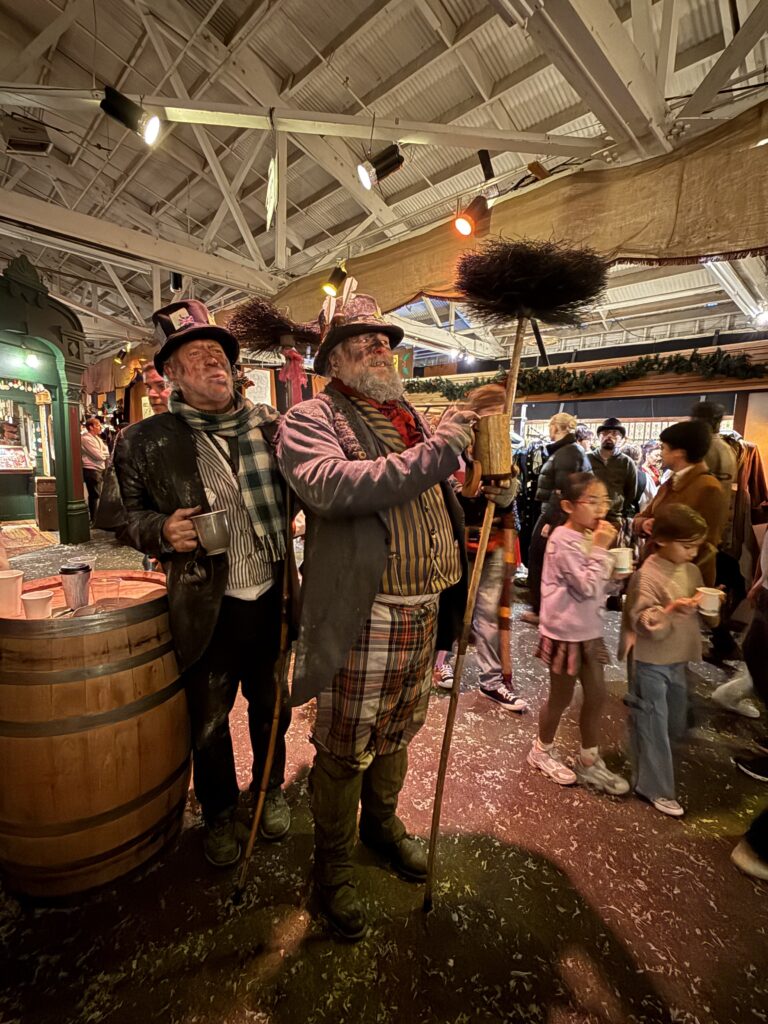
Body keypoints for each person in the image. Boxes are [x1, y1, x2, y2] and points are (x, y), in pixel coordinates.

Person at [278, 293, 479, 941]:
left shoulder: (407, 416)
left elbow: (429, 489)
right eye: (361, 342)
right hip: (363, 614)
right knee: (343, 748)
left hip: (425, 604)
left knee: (398, 732)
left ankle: (381, 824)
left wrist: (476, 485)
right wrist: (444, 447)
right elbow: (333, 489)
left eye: (383, 340)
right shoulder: (311, 417)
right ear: (333, 360)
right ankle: (331, 868)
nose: (378, 348)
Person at [114, 299, 293, 868]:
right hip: (202, 604)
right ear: (172, 374)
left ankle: (268, 792)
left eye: (221, 353)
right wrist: (162, 531)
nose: (216, 361)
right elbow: (117, 516)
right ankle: (218, 814)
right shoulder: (144, 441)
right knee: (210, 721)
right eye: (199, 354)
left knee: (272, 707)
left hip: (271, 594)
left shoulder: (271, 428)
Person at [527, 472, 629, 795]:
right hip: (564, 633)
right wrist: (600, 549)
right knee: (561, 697)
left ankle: (589, 760)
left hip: (589, 631)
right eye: (592, 501)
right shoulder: (561, 540)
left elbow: (599, 586)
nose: (601, 508)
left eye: (604, 500)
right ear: (569, 505)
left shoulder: (589, 536)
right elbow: (584, 586)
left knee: (597, 695)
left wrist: (617, 574)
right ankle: (541, 750)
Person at [622, 505, 721, 817]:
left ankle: (652, 772)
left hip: (677, 660)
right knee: (653, 722)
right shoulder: (646, 575)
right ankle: (655, 787)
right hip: (650, 662)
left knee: (672, 721)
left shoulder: (690, 571)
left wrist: (711, 605)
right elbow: (640, 621)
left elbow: (709, 619)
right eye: (687, 546)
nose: (692, 554)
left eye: (696, 547)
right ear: (662, 539)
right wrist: (669, 611)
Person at [442, 383, 528, 711]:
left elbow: (509, 499)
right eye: (488, 409)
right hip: (455, 541)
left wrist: (509, 495)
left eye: (500, 410)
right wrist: (463, 487)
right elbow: (435, 485)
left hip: (491, 540)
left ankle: (492, 680)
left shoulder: (504, 446)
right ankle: (440, 663)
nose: (494, 416)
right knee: (450, 606)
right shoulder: (453, 442)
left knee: (488, 614)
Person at [633, 420, 728, 587]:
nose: (660, 453)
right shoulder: (670, 483)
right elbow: (643, 516)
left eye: (663, 448)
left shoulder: (708, 488)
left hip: (681, 581)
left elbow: (707, 545)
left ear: (679, 453)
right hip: (656, 572)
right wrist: (644, 524)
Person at [522, 413, 589, 626]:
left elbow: (562, 490)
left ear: (555, 427)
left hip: (556, 513)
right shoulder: (568, 450)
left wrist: (550, 520)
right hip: (556, 511)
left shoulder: (567, 452)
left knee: (540, 557)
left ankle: (542, 610)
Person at [587, 417, 638, 531]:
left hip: (614, 518)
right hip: (589, 516)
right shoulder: (587, 458)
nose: (609, 436)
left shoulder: (627, 462)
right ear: (599, 437)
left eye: (615, 433)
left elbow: (631, 492)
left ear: (621, 439)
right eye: (604, 433)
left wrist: (620, 510)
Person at [80, 416, 109, 523]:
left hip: (99, 469)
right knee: (95, 495)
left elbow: (106, 452)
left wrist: (103, 453)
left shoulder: (97, 438)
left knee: (98, 494)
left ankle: (97, 518)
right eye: (97, 425)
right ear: (91, 427)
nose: (100, 427)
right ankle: (94, 519)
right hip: (91, 470)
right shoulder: (85, 439)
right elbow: (98, 456)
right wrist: (103, 453)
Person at [623, 442, 657, 509]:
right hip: (636, 515)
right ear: (639, 458)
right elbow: (653, 500)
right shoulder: (645, 478)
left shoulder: (612, 474)